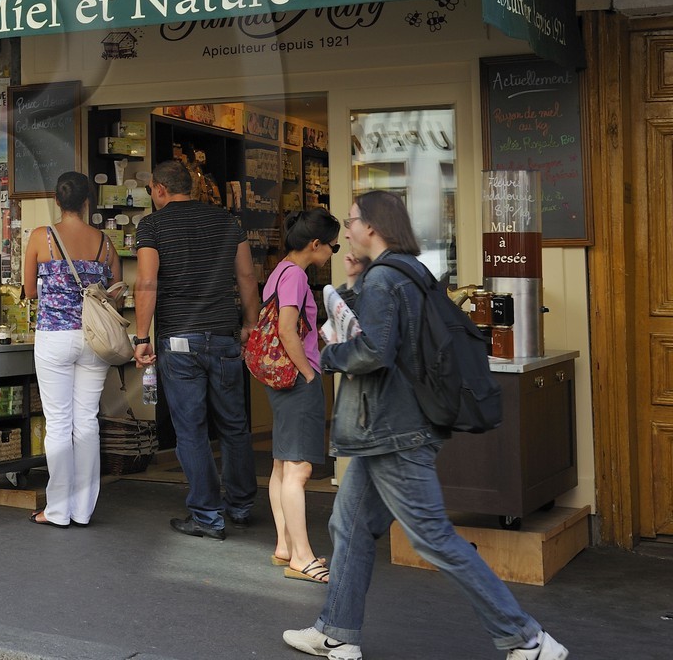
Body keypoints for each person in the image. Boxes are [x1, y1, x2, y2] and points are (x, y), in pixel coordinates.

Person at [282, 191, 567, 660]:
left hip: (393, 432)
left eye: (351, 221)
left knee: (432, 536)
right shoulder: (407, 272)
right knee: (348, 528)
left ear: (371, 227)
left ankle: (527, 639)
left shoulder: (384, 281)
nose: (345, 231)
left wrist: (327, 356)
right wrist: (354, 284)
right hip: (390, 428)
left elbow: (373, 351)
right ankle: (337, 631)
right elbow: (392, 335)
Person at [130, 158, 260, 540]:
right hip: (223, 337)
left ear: (159, 189)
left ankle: (207, 515)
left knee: (192, 430)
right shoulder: (226, 222)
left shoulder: (152, 225)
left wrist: (141, 338)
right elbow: (247, 276)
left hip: (179, 339)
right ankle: (240, 505)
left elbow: (147, 283)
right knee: (235, 425)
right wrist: (251, 323)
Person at [21, 171, 122, 528]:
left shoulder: (41, 237)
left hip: (54, 336)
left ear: (57, 202)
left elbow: (30, 291)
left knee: (59, 424)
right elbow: (113, 293)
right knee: (87, 423)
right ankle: (83, 510)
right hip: (94, 340)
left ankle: (58, 510)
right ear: (87, 202)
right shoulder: (105, 244)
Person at [262, 209, 341, 585]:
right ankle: (303, 557)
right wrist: (310, 374)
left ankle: (286, 546)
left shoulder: (280, 271)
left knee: (282, 466)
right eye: (333, 246)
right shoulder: (295, 276)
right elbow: (287, 329)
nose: (333, 253)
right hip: (296, 379)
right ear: (316, 244)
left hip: (280, 380)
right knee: (300, 470)